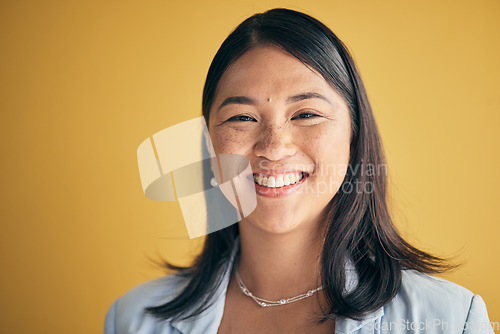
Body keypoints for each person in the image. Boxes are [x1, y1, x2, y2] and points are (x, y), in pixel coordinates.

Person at [105, 8, 493, 333]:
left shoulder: (452, 320)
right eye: (241, 117)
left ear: (354, 138)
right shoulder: (132, 318)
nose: (273, 147)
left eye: (306, 114)